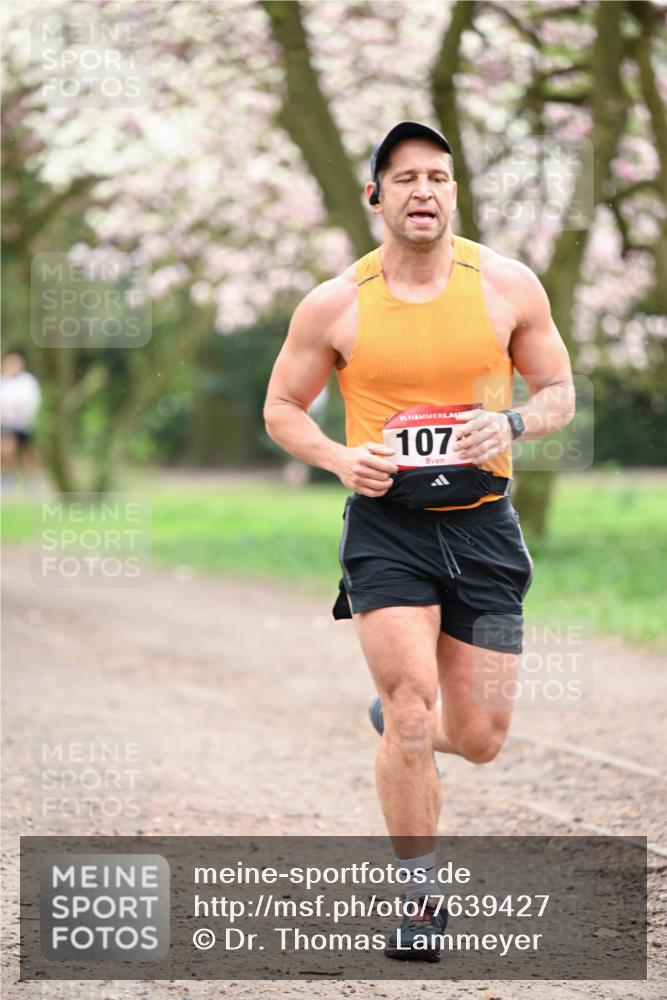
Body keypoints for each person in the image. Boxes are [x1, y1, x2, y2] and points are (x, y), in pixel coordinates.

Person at [263, 121, 575, 961]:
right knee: (410, 713)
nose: (423, 191)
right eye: (404, 179)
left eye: (437, 176)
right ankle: (417, 900)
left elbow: (557, 392)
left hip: (485, 530)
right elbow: (281, 408)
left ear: (454, 193)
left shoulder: (506, 287)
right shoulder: (334, 303)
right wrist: (337, 457)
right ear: (376, 197)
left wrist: (507, 420)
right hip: (385, 532)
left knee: (478, 737)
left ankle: (408, 723)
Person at [1, 350, 42, 491]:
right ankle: (7, 478)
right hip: (8, 423)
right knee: (6, 450)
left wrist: (23, 412)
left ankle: (32, 482)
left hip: (25, 423)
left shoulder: (28, 381)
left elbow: (33, 401)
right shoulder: (4, 382)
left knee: (27, 454)